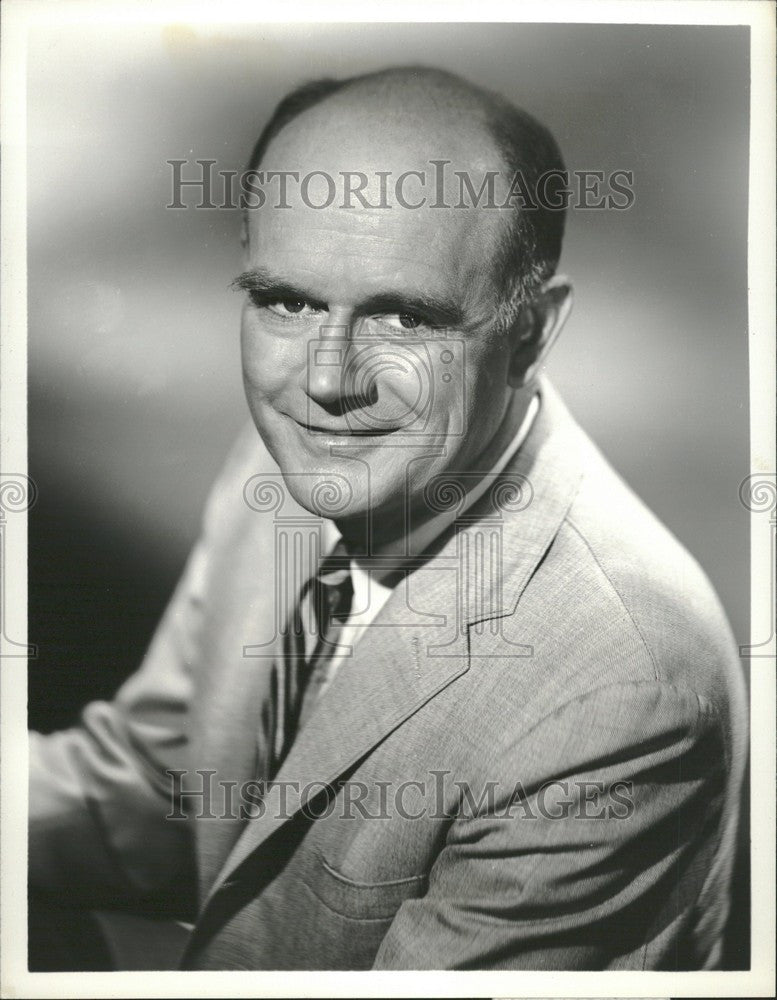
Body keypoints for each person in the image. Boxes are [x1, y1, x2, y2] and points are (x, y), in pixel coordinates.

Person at [29, 65, 747, 971]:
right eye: (284, 302)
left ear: (530, 333)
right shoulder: (292, 457)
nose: (326, 381)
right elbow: (164, 792)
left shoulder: (624, 694)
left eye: (404, 317)